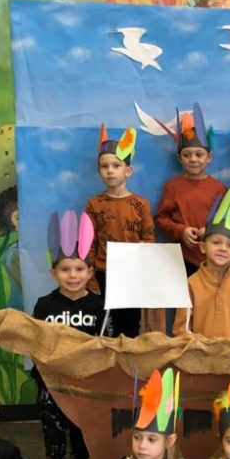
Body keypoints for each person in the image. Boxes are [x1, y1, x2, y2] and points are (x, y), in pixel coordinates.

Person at [32, 211, 107, 459]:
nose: (73, 275)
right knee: (53, 425)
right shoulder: (44, 305)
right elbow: (37, 342)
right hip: (51, 380)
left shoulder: (99, 306)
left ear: (90, 272)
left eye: (79, 269)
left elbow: (106, 342)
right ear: (54, 273)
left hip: (85, 379)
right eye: (65, 269)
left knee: (81, 424)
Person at [85, 125, 154, 337]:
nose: (110, 170)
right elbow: (89, 243)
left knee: (130, 326)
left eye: (116, 165)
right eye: (104, 166)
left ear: (128, 170)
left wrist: (143, 249)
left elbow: (148, 238)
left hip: (131, 274)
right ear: (99, 171)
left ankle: (130, 357)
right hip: (103, 273)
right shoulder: (94, 204)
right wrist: (91, 277)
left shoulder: (141, 204)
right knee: (106, 327)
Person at [172, 186, 230, 338]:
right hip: (200, 352)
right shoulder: (191, 284)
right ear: (202, 247)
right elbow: (182, 330)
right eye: (216, 242)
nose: (223, 249)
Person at [155, 104, 225, 277]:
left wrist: (210, 230)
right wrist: (181, 230)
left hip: (211, 259)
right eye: (187, 155)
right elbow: (161, 219)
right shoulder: (172, 187)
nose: (193, 159)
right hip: (180, 258)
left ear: (209, 157)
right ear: (180, 158)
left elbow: (225, 221)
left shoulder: (219, 189)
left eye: (199, 154)